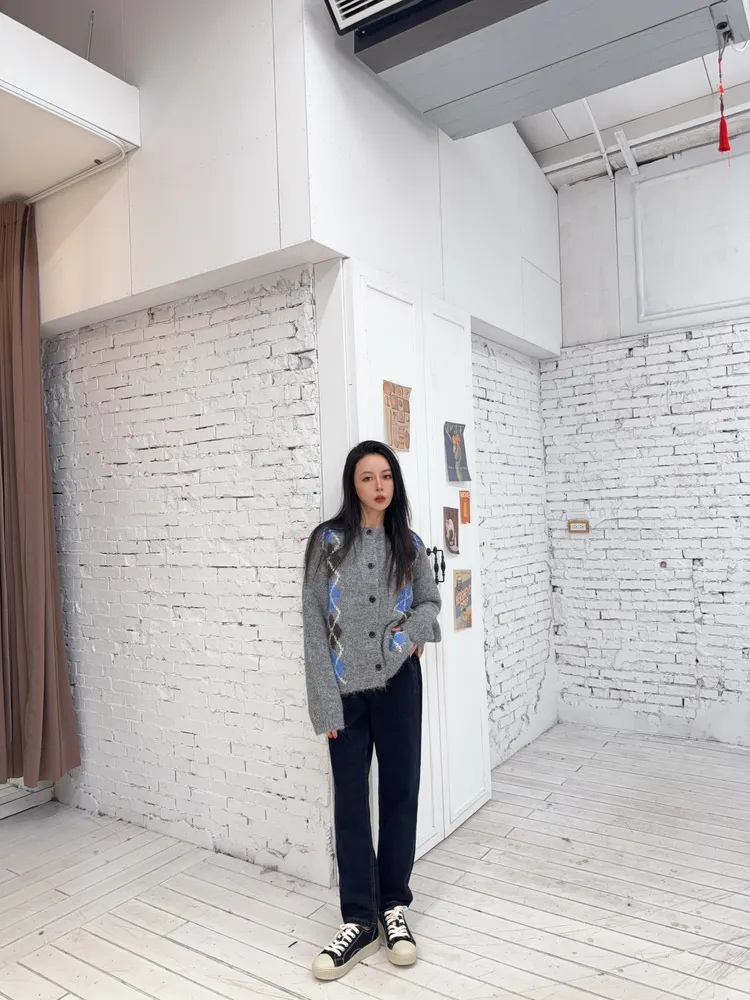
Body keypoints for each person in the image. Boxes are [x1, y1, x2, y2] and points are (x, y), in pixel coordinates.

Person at [302, 440, 442, 982]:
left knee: (401, 791)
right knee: (351, 802)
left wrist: (407, 637)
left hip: (399, 685)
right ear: (352, 484)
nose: (378, 486)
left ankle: (394, 907)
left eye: (386, 476)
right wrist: (325, 706)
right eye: (367, 477)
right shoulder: (327, 543)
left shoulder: (409, 543)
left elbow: (429, 602)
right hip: (345, 692)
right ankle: (358, 918)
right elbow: (314, 624)